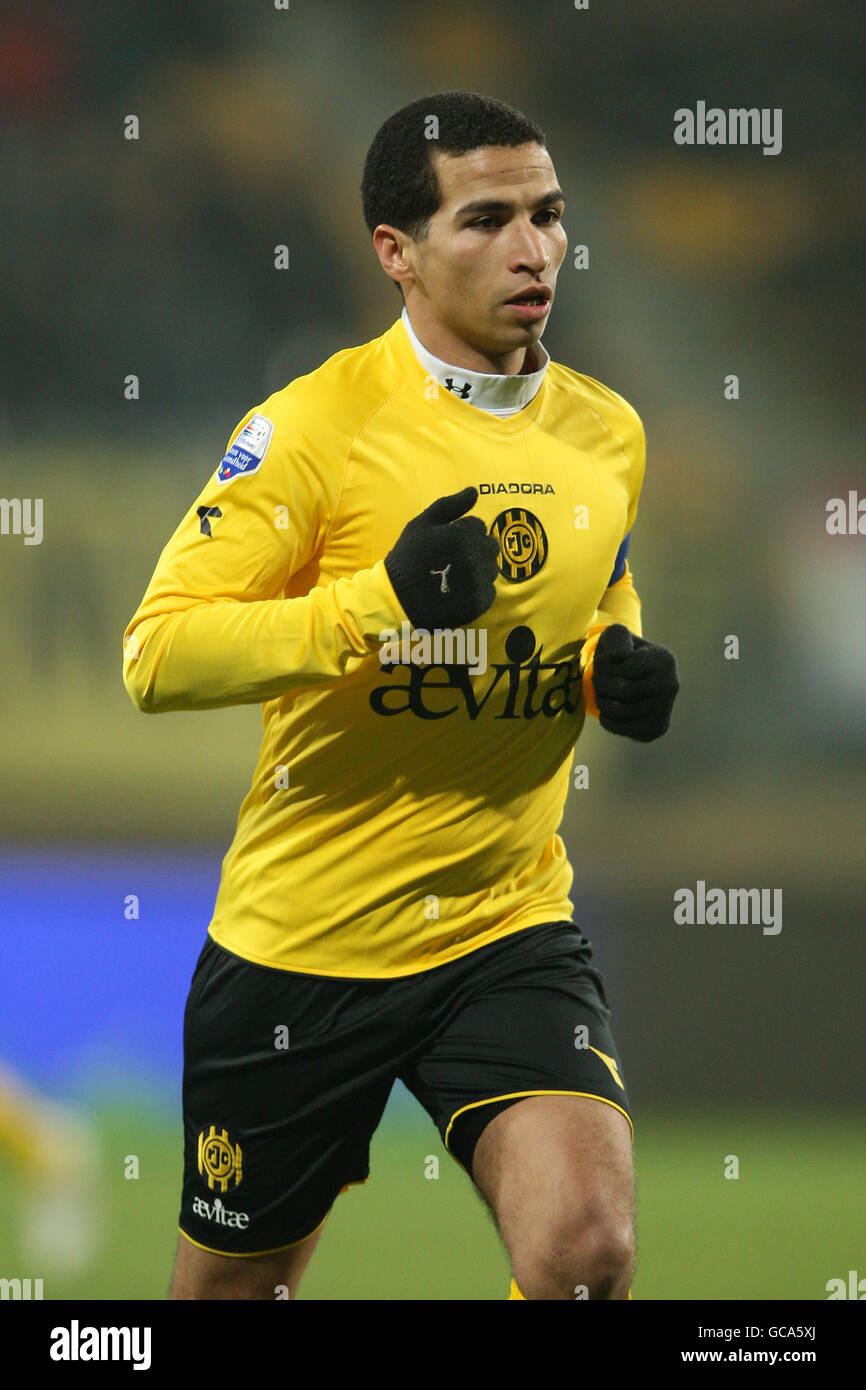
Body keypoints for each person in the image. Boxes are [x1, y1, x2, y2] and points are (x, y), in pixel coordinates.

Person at [122, 89, 679, 1301]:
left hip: (503, 922)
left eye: (547, 215)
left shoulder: (608, 432)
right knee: (230, 1296)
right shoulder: (313, 428)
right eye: (485, 219)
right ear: (396, 253)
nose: (532, 250)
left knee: (586, 1251)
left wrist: (610, 668)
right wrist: (376, 603)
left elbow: (600, 590)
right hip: (302, 951)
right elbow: (157, 655)